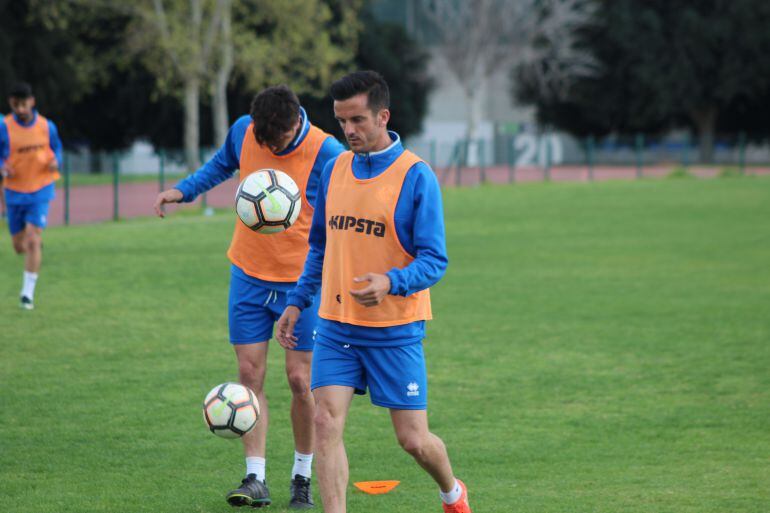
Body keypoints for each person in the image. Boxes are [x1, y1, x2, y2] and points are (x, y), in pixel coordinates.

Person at [277, 70, 472, 513]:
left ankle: (452, 493)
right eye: (341, 121)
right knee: (325, 422)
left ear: (383, 116)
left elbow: (435, 260)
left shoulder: (416, 176)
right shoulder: (333, 169)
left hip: (394, 329)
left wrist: (390, 282)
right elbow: (320, 247)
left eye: (358, 120)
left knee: (414, 441)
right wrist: (295, 301)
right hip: (335, 325)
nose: (348, 131)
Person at [154, 85, 344, 509]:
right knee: (249, 375)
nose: (266, 146)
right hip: (248, 274)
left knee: (299, 379)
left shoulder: (326, 152)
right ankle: (255, 477)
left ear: (295, 122)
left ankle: (302, 475)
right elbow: (222, 165)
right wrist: (183, 191)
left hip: (301, 284)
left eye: (273, 141)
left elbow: (340, 217)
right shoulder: (246, 130)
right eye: (261, 138)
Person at [1, 82, 63, 310]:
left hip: (41, 188)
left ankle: (27, 294)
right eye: (16, 105)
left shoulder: (47, 126)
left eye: (24, 104)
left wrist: (57, 161)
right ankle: (32, 245)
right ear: (11, 104)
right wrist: (2, 167)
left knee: (32, 240)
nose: (21, 109)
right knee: (19, 246)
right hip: (15, 191)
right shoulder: (4, 127)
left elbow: (57, 149)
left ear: (32, 102)